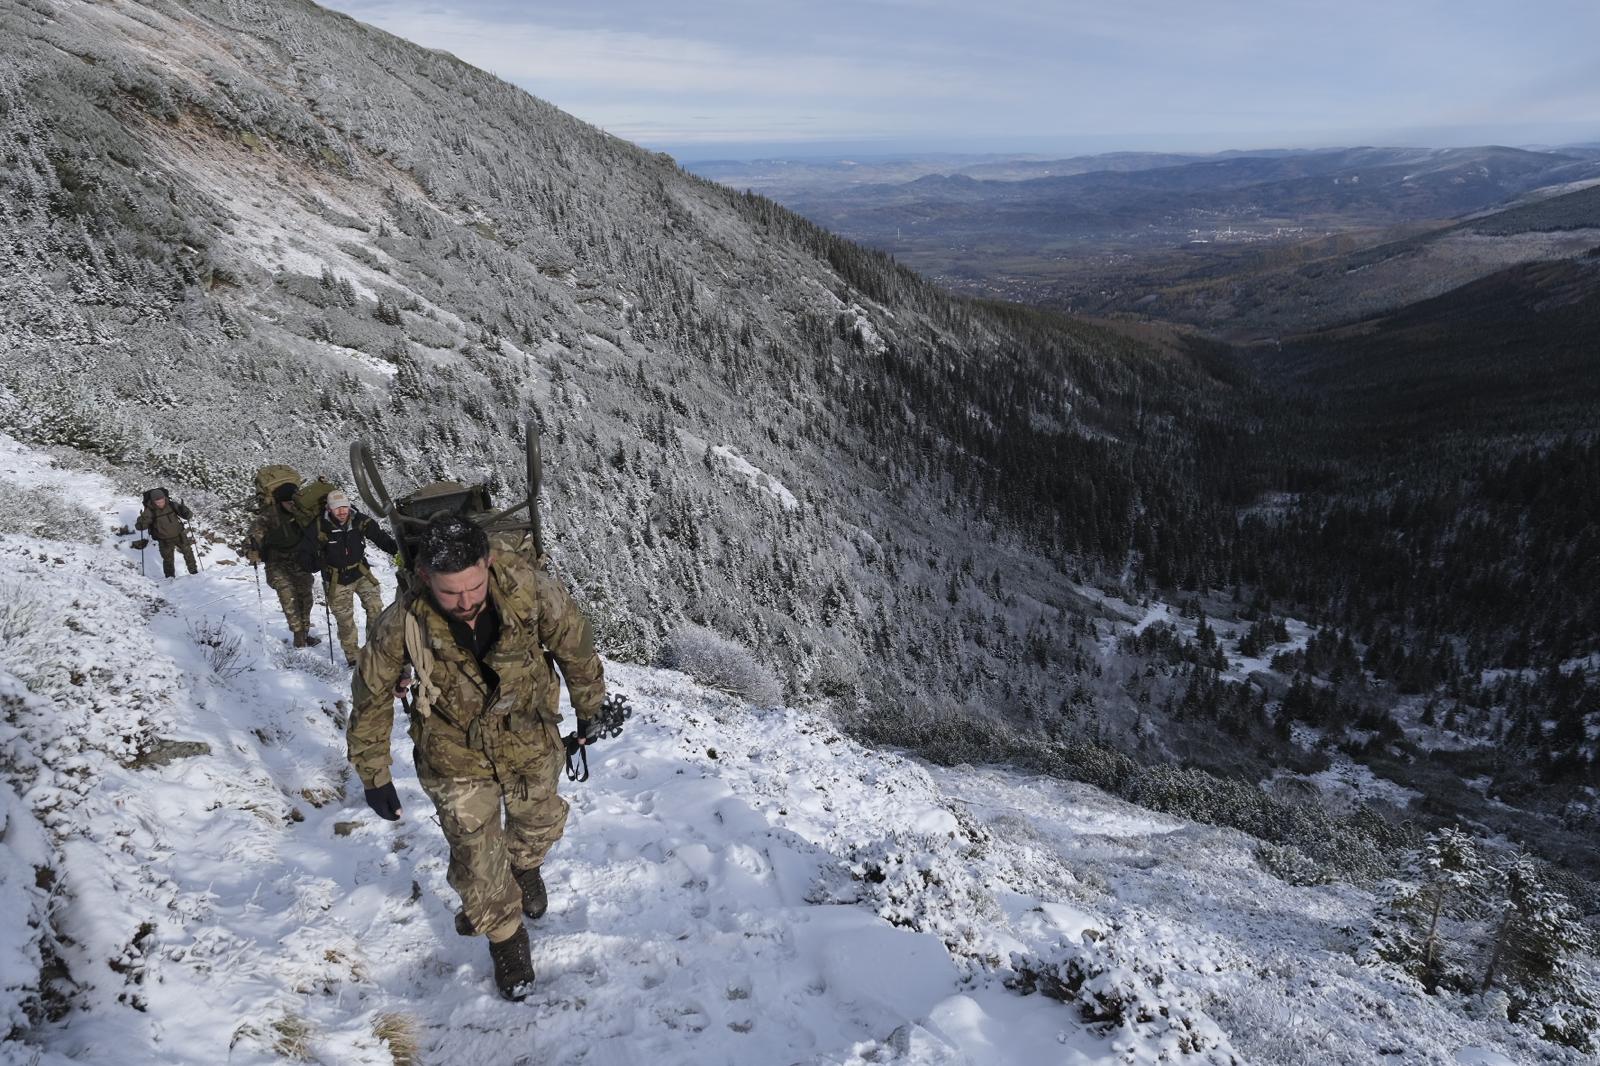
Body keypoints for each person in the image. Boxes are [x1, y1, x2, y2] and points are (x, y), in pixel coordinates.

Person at [346, 514, 605, 1001]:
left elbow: (576, 648)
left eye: (474, 587)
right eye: (451, 593)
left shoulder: (530, 589)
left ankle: (524, 868)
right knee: (476, 861)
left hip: (529, 734)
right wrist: (374, 774)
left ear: (487, 564)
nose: (466, 602)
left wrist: (591, 710)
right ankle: (507, 939)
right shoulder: (402, 621)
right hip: (454, 752)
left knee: (539, 823)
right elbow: (371, 696)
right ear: (425, 577)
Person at [299, 489, 398, 667]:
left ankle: (373, 649)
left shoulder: (359, 520)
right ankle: (353, 657)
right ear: (329, 509)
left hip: (360, 572)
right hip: (336, 579)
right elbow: (304, 554)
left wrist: (398, 550)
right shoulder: (319, 526)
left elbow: (380, 537)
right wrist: (316, 563)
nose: (342, 512)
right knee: (345, 621)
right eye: (337, 508)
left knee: (375, 608)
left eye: (344, 507)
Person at [245, 482, 321, 647]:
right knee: (288, 596)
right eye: (288, 502)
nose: (292, 505)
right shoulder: (269, 516)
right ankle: (298, 636)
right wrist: (251, 551)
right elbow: (253, 536)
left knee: (306, 598)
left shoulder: (303, 513)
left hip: (300, 560)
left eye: (294, 501)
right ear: (280, 502)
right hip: (276, 563)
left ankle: (305, 632)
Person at [135, 488, 199, 578]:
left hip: (179, 535)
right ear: (153, 501)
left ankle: (194, 573)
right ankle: (170, 578)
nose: (161, 503)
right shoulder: (149, 511)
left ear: (165, 498)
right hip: (163, 539)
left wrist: (185, 511)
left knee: (188, 552)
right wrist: (142, 520)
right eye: (158, 502)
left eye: (162, 500)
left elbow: (188, 516)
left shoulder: (172, 505)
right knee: (168, 559)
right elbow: (140, 527)